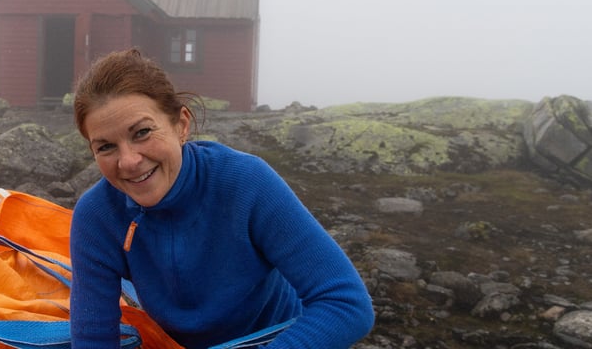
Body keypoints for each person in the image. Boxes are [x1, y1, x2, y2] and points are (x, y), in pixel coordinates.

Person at [69, 48, 374, 348]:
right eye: (106, 147)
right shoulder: (97, 216)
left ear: (181, 125)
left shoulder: (245, 183)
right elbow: (93, 338)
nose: (129, 161)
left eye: (142, 132)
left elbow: (346, 303)